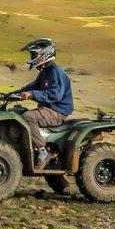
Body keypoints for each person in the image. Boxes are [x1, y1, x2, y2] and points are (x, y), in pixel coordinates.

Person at [15, 38, 74, 169]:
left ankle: (43, 152)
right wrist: (10, 94)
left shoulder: (55, 72)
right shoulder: (45, 72)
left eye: (33, 55)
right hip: (48, 110)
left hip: (57, 112)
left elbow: (55, 94)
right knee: (19, 113)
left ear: (43, 55)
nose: (31, 57)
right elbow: (31, 86)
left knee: (28, 117)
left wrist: (32, 94)